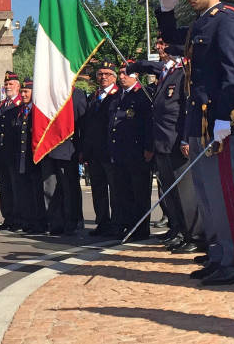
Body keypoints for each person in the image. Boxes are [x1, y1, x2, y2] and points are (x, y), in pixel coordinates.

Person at [157, 0, 234, 286]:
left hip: (218, 122)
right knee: (208, 195)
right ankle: (218, 254)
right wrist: (166, 11)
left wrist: (226, 118)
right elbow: (172, 40)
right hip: (200, 121)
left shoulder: (227, 20)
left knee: (223, 194)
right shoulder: (202, 22)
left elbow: (232, 75)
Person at [126, 37, 200, 253]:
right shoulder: (167, 71)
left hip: (177, 141)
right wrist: (135, 65)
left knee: (184, 192)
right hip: (163, 141)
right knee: (171, 192)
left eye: (162, 43)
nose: (158, 47)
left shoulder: (184, 71)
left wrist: (186, 138)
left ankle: (193, 235)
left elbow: (187, 109)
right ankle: (178, 230)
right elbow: (151, 66)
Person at [109, 65, 153, 242]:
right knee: (123, 192)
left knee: (139, 193)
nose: (122, 76)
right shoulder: (118, 96)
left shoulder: (142, 95)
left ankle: (141, 229)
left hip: (137, 151)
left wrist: (149, 147)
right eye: (120, 73)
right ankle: (126, 224)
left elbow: (149, 123)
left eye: (125, 73)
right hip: (120, 151)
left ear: (136, 75)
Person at [40, 87, 87, 235]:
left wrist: (82, 150)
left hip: (68, 149)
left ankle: (72, 222)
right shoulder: (45, 92)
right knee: (50, 189)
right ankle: (55, 223)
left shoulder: (76, 94)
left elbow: (83, 124)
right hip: (47, 148)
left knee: (69, 189)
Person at [81, 64, 121, 237]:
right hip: (94, 152)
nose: (103, 77)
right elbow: (87, 126)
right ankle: (102, 222)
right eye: (100, 74)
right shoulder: (93, 97)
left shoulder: (118, 95)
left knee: (116, 190)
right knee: (98, 189)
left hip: (110, 151)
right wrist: (84, 150)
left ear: (114, 77)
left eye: (107, 74)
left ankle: (117, 223)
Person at [5, 79, 48, 233]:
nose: (23, 94)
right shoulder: (17, 111)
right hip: (20, 158)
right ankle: (27, 221)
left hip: (34, 159)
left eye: (26, 92)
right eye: (21, 91)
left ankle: (40, 222)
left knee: (37, 192)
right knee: (24, 192)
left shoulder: (38, 112)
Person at [0, 71, 22, 231]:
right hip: (1, 154)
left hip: (15, 154)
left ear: (18, 86)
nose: (8, 87)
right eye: (6, 84)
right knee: (4, 188)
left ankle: (18, 219)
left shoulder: (21, 105)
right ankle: (7, 218)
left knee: (17, 188)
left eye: (11, 84)